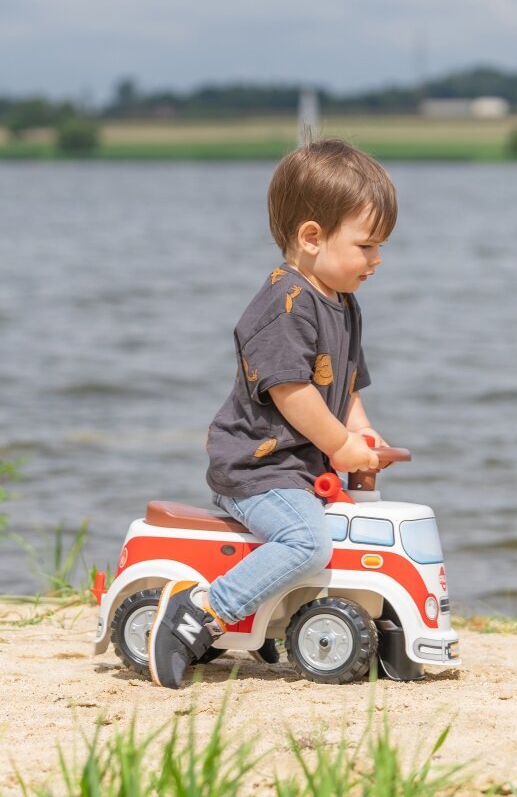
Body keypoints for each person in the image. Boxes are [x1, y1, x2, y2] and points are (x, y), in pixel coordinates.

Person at [148, 138, 398, 688]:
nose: (377, 260)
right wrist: (339, 445)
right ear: (312, 237)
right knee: (307, 542)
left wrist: (361, 432)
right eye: (367, 246)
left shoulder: (341, 303)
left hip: (304, 473)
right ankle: (201, 613)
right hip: (258, 469)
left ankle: (298, 619)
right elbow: (293, 393)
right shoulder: (284, 304)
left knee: (360, 527)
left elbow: (346, 386)